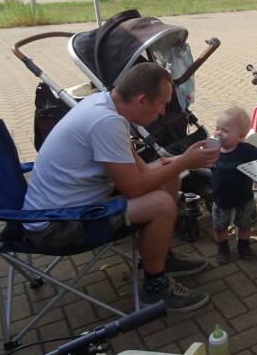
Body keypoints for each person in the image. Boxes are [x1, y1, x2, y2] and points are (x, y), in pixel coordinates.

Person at [23, 62, 221, 312]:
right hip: (55, 225)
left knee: (168, 172)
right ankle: (155, 287)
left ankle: (162, 258)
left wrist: (177, 162)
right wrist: (185, 162)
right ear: (141, 100)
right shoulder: (105, 122)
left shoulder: (103, 105)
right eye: (161, 104)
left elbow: (142, 171)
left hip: (72, 208)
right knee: (161, 204)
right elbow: (134, 188)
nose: (163, 112)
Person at [210, 107, 257, 264]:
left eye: (225, 131)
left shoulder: (245, 150)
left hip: (244, 197)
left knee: (246, 224)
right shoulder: (212, 150)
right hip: (220, 198)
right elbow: (197, 161)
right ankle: (223, 247)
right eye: (218, 128)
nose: (219, 133)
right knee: (220, 226)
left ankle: (243, 245)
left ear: (241, 136)